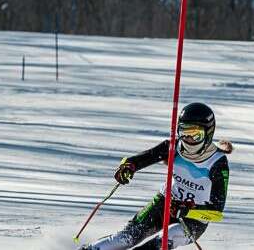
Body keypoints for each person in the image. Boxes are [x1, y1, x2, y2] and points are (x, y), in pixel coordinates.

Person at [80, 102, 232, 250]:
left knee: (163, 240)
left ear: (208, 133)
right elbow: (143, 158)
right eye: (184, 133)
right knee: (127, 237)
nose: (189, 140)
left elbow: (216, 212)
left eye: (195, 135)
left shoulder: (217, 163)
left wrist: (187, 211)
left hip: (194, 219)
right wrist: (127, 166)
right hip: (164, 203)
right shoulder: (174, 146)